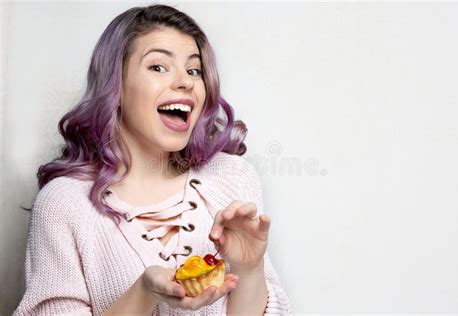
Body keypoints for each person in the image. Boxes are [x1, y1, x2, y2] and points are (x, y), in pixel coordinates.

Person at [14, 4, 290, 315]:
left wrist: (249, 268)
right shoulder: (64, 203)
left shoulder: (233, 178)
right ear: (115, 85)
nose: (185, 82)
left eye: (194, 70)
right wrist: (145, 291)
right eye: (158, 67)